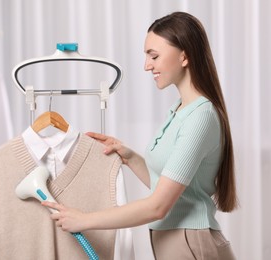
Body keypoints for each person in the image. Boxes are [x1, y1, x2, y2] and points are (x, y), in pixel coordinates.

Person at [42, 11, 238, 260]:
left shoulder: (200, 117)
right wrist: (129, 156)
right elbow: (169, 186)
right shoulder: (179, 111)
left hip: (189, 242)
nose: (147, 65)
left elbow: (158, 205)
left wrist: (83, 220)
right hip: (177, 240)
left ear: (184, 56)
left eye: (153, 56)